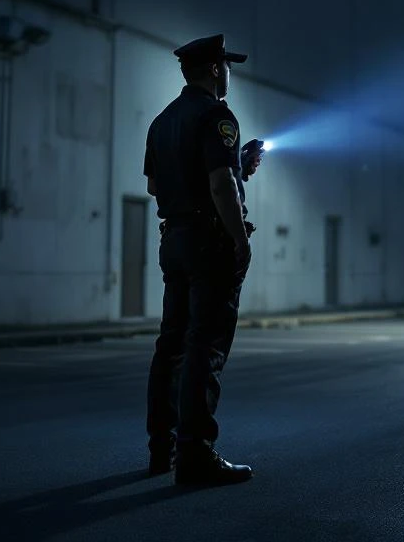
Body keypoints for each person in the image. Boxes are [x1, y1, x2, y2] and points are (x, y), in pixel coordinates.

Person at [143, 33, 264, 485]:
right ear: (215, 69)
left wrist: (238, 169)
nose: (228, 73)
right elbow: (219, 186)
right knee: (205, 347)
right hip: (208, 245)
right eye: (226, 66)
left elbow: (157, 187)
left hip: (172, 239)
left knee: (171, 345)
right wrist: (240, 240)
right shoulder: (217, 115)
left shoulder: (161, 121)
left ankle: (164, 449)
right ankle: (196, 454)